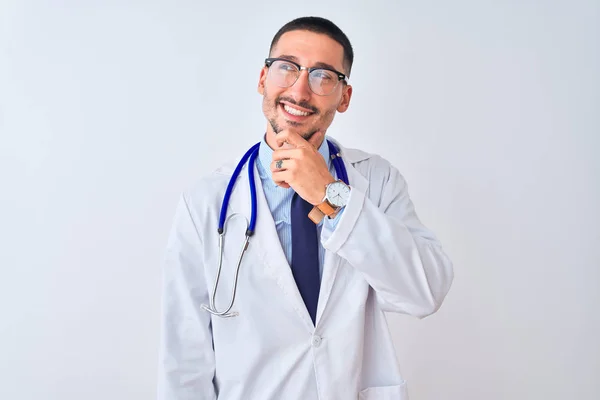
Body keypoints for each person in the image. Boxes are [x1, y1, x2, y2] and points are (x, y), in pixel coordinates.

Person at [158, 16, 453, 400]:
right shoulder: (206, 201)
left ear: (344, 97)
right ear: (263, 78)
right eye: (287, 68)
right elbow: (184, 354)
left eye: (323, 76)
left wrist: (333, 196)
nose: (299, 91)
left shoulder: (377, 181)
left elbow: (424, 293)